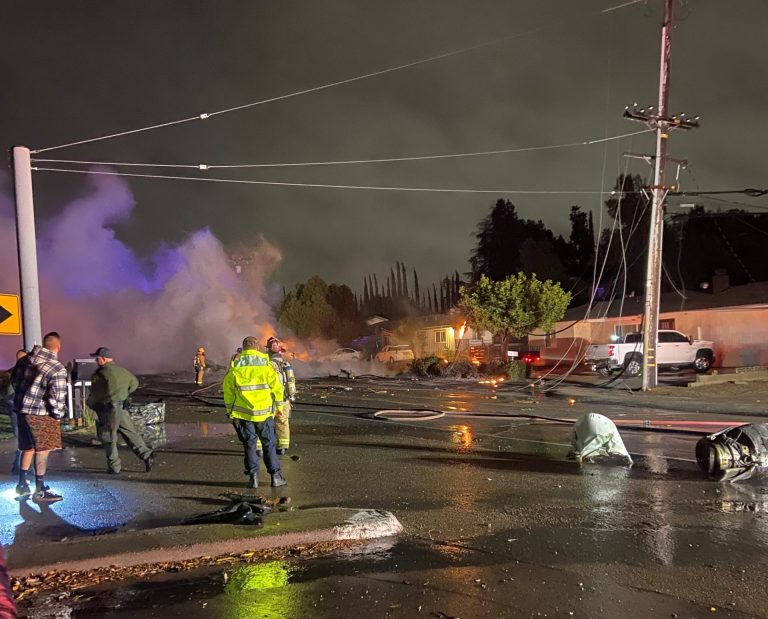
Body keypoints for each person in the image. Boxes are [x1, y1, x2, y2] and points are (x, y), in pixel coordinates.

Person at [223, 336, 287, 488]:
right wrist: (279, 408)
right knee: (269, 445)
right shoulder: (267, 367)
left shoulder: (235, 368)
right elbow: (277, 389)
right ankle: (275, 477)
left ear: (244, 349)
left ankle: (253, 479)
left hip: (244, 415)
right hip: (265, 415)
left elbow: (228, 392)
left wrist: (230, 411)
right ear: (258, 348)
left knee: (250, 445)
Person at [11, 332, 67, 502]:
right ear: (58, 347)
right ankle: (40, 490)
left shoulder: (25, 361)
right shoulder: (57, 368)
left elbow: (14, 381)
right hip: (42, 415)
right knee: (43, 450)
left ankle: (22, 485)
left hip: (22, 411)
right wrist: (58, 415)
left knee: (28, 447)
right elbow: (55, 397)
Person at [87, 347, 154, 475]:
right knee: (130, 433)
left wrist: (91, 404)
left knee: (108, 438)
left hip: (108, 411)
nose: (96, 360)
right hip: (121, 409)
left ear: (104, 358)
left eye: (97, 358)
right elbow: (134, 383)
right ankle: (147, 455)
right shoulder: (123, 371)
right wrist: (124, 395)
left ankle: (114, 467)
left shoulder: (100, 374)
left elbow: (96, 394)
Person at [265, 336, 294, 455]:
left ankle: (265, 447)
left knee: (266, 422)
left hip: (270, 399)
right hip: (284, 398)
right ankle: (283, 446)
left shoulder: (267, 365)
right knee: (282, 421)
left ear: (268, 350)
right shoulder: (285, 364)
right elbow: (291, 381)